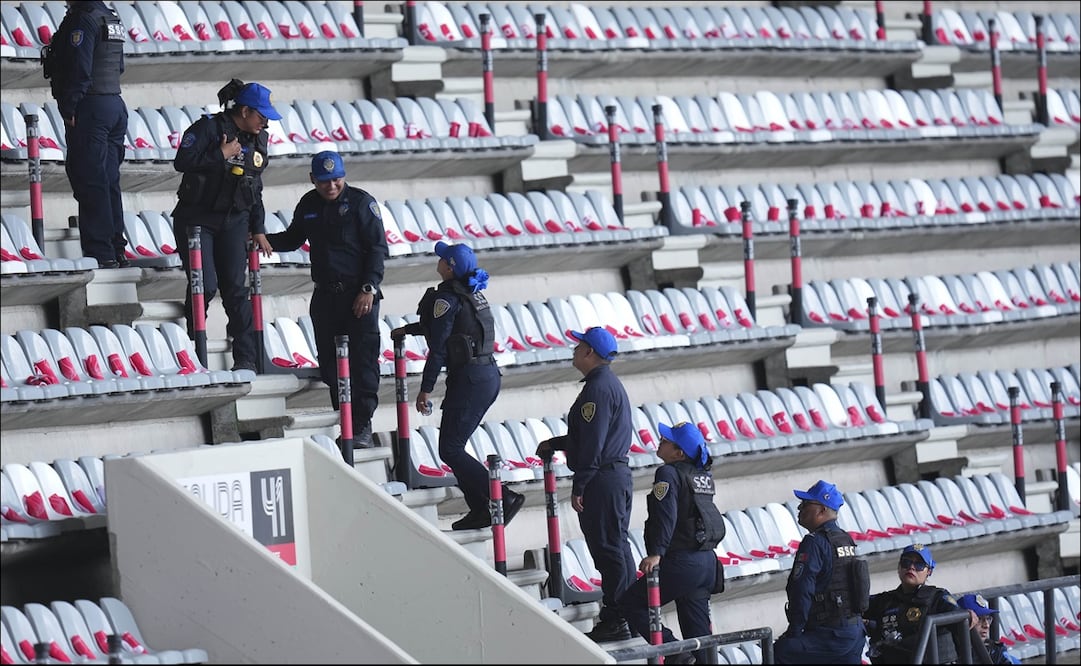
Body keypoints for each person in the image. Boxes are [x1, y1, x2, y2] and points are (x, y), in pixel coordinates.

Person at [391, 242, 524, 526]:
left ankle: (502, 497)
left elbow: (439, 348)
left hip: (470, 379)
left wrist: (425, 389)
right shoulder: (471, 294)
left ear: (449, 267)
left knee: (450, 449)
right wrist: (409, 330)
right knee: (453, 447)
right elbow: (453, 329)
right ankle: (478, 508)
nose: (437, 261)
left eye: (442, 259)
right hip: (486, 375)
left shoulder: (447, 298)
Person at [267, 150, 388, 449]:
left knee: (362, 364)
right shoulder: (308, 204)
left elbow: (377, 249)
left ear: (344, 176)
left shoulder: (362, 203)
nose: (331, 186)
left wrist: (368, 288)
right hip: (325, 297)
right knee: (330, 364)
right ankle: (346, 420)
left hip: (359, 295)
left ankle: (361, 425)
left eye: (336, 180)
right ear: (312, 180)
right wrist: (262, 240)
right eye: (324, 182)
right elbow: (293, 238)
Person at [536, 326, 636, 643]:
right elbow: (587, 438)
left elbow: (592, 444)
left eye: (579, 345)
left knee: (609, 551)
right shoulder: (604, 384)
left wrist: (580, 484)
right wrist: (556, 443)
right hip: (610, 475)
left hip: (602, 479)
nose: (574, 350)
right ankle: (627, 614)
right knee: (615, 547)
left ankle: (618, 616)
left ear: (589, 352)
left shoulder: (598, 390)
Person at [171, 79, 277, 372]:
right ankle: (195, 348)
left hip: (234, 219)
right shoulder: (208, 128)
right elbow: (182, 161)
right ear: (245, 111)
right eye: (261, 115)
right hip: (197, 220)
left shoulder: (258, 139)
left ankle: (246, 359)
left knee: (235, 290)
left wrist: (258, 228)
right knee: (205, 284)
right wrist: (221, 155)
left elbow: (255, 186)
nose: (265, 121)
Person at [618, 422, 726, 665]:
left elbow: (665, 516)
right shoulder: (701, 476)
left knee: (632, 603)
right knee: (700, 637)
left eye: (666, 440)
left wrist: (656, 553)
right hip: (706, 563)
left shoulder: (668, 473)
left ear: (679, 453)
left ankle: (678, 655)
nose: (660, 440)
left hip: (683, 561)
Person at [44, 1, 129, 268]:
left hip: (91, 108)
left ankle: (100, 252)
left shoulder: (84, 19)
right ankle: (116, 249)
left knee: (91, 182)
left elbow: (80, 67)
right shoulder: (110, 17)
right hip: (114, 104)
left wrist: (70, 105)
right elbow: (120, 66)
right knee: (109, 182)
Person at [774, 480, 869, 664]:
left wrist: (794, 631)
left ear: (822, 510)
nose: (800, 508)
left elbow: (802, 590)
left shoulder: (814, 542)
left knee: (780, 652)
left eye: (806, 504)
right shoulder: (845, 539)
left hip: (830, 635)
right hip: (853, 633)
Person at [864, 544, 973, 664]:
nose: (911, 567)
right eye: (906, 562)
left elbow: (960, 619)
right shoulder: (885, 600)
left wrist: (968, 615)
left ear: (929, 571)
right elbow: (855, 607)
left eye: (919, 565)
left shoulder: (937, 598)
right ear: (899, 567)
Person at [957, 593, 1020, 665]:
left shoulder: (994, 650)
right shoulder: (951, 654)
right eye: (979, 619)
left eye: (988, 619)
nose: (986, 625)